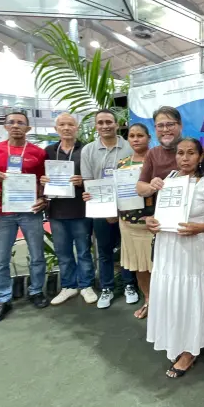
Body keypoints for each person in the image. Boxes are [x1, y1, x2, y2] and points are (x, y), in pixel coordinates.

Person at [145, 138, 204, 378]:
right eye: (180, 153)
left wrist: (200, 228)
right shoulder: (168, 181)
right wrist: (152, 222)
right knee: (171, 294)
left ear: (200, 156)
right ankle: (174, 339)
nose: (185, 158)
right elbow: (159, 215)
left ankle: (190, 349)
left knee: (190, 294)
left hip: (194, 247)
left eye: (191, 153)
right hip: (167, 246)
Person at [0, 112, 49, 323]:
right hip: (3, 212)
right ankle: (2, 299)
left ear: (28, 128)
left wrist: (45, 199)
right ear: (5, 126)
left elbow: (43, 181)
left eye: (20, 123)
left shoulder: (38, 153)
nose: (15, 126)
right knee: (1, 259)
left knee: (37, 255)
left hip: (30, 210)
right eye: (11, 122)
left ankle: (36, 290)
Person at [80, 109, 138, 309]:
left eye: (109, 122)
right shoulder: (88, 150)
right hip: (101, 208)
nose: (105, 126)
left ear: (116, 123)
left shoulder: (130, 147)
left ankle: (130, 284)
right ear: (96, 126)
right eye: (101, 122)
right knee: (104, 251)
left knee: (127, 249)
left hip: (127, 207)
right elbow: (88, 181)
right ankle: (107, 287)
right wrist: (89, 194)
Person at [41, 113, 97, 306]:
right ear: (56, 129)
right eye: (62, 125)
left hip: (80, 209)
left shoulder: (86, 150)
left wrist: (83, 181)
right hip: (56, 210)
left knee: (83, 250)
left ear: (77, 128)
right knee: (63, 252)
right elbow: (40, 177)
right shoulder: (49, 151)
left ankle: (86, 285)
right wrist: (43, 181)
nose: (66, 128)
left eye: (70, 124)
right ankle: (68, 286)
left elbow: (95, 177)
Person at [115, 123, 153, 319]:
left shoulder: (157, 160)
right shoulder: (122, 165)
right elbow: (116, 193)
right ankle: (148, 300)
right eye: (132, 136)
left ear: (149, 137)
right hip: (128, 224)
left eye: (140, 135)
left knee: (157, 267)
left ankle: (162, 304)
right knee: (139, 267)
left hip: (153, 224)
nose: (136, 139)